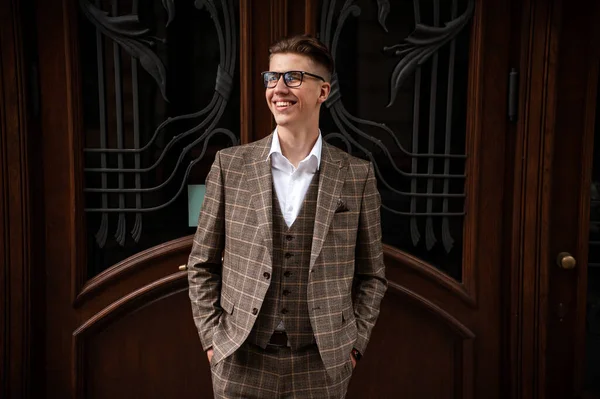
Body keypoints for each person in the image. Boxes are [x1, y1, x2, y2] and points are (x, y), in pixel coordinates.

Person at [187, 34, 387, 398]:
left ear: (323, 91)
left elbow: (372, 274)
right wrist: (213, 341)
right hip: (240, 358)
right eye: (272, 77)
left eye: (293, 77)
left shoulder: (357, 176)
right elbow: (201, 263)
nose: (279, 88)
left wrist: (353, 347)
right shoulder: (230, 166)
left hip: (322, 365)